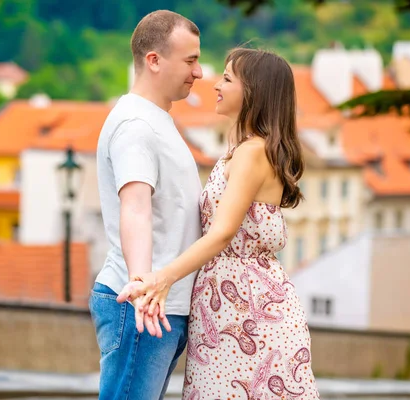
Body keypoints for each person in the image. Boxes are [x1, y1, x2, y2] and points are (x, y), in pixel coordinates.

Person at [118, 48, 320, 399]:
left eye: (227, 78)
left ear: (253, 91)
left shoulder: (252, 152)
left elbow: (223, 231)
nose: (215, 84)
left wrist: (161, 278)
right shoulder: (245, 150)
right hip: (232, 307)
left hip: (247, 312)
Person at [90, 9, 204, 400]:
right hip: (144, 305)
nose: (200, 72)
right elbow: (135, 207)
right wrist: (141, 285)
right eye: (190, 60)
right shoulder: (136, 126)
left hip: (158, 303)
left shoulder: (155, 120)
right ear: (154, 60)